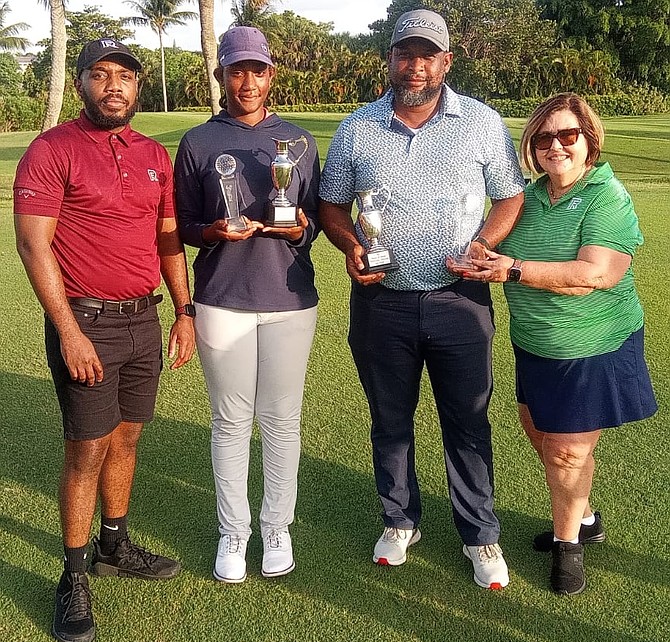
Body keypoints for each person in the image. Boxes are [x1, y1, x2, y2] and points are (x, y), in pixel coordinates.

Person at [319, 9, 525, 589]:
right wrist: (350, 245)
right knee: (390, 420)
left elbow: (510, 197)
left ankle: (480, 533)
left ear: (446, 62)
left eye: (427, 55)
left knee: (467, 420)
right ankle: (399, 519)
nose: (415, 66)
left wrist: (483, 243)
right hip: (382, 301)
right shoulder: (358, 127)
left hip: (461, 300)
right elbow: (332, 205)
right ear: (389, 60)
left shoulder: (482, 124)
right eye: (404, 54)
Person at [13, 38, 196, 642]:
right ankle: (72, 574)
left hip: (143, 319)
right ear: (82, 84)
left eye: (124, 76)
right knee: (86, 449)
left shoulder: (151, 153)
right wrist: (67, 330)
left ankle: (112, 545)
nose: (113, 86)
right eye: (100, 75)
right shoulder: (52, 149)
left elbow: (167, 236)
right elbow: (33, 245)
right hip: (85, 321)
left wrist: (183, 312)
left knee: (127, 436)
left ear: (137, 87)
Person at [458, 93, 658, 595]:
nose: (555, 146)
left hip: (592, 345)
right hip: (536, 345)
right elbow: (491, 241)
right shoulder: (527, 197)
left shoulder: (605, 197)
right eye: (544, 137)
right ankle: (585, 517)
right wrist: (473, 252)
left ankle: (568, 545)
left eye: (567, 135)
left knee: (566, 453)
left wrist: (515, 270)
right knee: (543, 435)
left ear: (588, 140)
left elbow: (597, 272)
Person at [174, 26, 320, 584]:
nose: (248, 81)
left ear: (270, 75)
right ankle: (233, 532)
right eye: (237, 70)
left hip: (288, 298)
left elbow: (313, 219)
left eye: (257, 70)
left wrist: (300, 229)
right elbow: (184, 225)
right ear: (222, 76)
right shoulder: (198, 142)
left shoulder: (299, 142)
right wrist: (211, 231)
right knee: (231, 422)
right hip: (222, 298)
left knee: (282, 420)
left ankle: (277, 527)